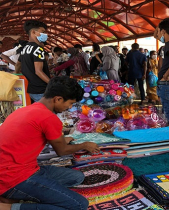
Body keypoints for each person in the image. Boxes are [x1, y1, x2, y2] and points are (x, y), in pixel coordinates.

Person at [0, 76, 100, 210]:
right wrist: (85, 145)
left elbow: (37, 137)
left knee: (77, 177)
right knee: (79, 204)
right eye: (69, 103)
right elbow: (62, 151)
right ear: (58, 99)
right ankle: (7, 207)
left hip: (24, 168)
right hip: (12, 178)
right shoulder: (48, 118)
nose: (69, 107)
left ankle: (12, 195)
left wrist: (65, 139)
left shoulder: (27, 109)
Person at [20, 20, 51, 102]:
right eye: (42, 32)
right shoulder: (38, 49)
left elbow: (17, 65)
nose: (45, 34)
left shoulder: (25, 48)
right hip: (41, 89)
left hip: (31, 89)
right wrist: (52, 83)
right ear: (33, 32)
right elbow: (38, 71)